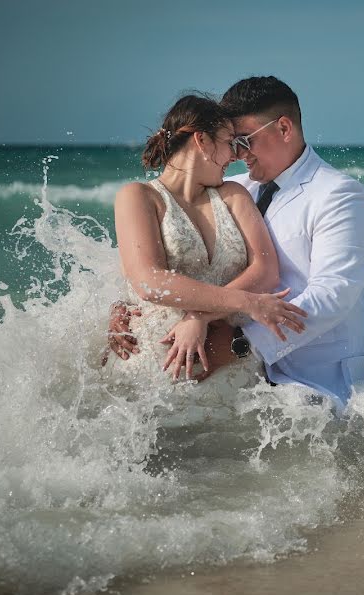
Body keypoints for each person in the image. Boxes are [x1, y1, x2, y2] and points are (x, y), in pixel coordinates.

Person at [109, 77, 364, 411]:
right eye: (231, 144)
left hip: (315, 380)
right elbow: (150, 260)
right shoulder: (230, 188)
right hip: (245, 382)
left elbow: (333, 295)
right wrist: (122, 307)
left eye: (244, 141)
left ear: (283, 128)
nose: (237, 155)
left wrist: (238, 341)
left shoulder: (338, 194)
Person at [104, 93, 307, 393]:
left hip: (233, 374)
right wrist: (247, 302)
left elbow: (266, 271)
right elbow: (148, 280)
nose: (236, 155)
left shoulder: (234, 195)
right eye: (229, 142)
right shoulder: (139, 196)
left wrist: (198, 316)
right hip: (156, 372)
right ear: (202, 141)